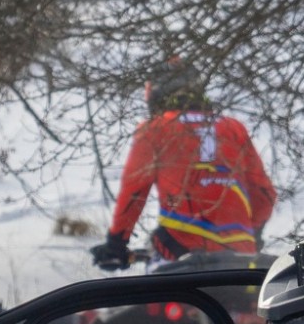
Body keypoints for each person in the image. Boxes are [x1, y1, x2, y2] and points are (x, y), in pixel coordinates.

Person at [90, 59, 277, 271]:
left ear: (155, 92)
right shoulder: (234, 128)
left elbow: (134, 193)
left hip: (179, 250)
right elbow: (264, 194)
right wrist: (251, 234)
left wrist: (116, 244)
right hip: (239, 253)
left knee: (153, 298)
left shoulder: (156, 128)